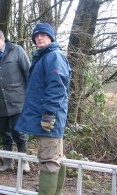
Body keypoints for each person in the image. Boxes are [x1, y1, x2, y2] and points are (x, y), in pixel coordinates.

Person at [15, 23, 72, 195]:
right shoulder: (43, 57)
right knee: (55, 158)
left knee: (49, 160)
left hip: (50, 118)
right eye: (36, 36)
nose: (39, 37)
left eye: (43, 35)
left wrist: (49, 114)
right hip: (47, 116)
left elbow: (57, 87)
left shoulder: (53, 56)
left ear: (51, 37)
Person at [0, 28, 31, 173]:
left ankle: (24, 162)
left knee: (19, 134)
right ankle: (8, 163)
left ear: (3, 39)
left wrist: (29, 97)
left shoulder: (17, 51)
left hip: (18, 101)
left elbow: (28, 73)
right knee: (4, 134)